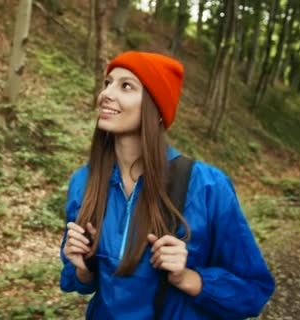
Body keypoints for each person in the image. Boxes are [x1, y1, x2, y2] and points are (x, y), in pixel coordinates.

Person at [59, 51, 275, 319]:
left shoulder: (208, 186)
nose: (106, 93)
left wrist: (187, 278)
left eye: (126, 86)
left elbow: (253, 290)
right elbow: (79, 282)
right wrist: (83, 266)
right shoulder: (84, 182)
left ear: (156, 106)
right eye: (107, 83)